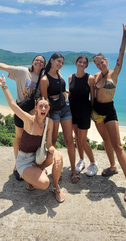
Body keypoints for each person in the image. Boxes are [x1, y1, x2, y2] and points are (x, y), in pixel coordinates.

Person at [0, 72, 65, 202]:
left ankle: (56, 188)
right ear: (36, 108)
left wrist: (54, 152)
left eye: (46, 106)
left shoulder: (49, 123)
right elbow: (13, 105)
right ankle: (29, 177)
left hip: (38, 157)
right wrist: (4, 86)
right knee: (43, 183)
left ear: (48, 109)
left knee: (59, 157)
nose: (43, 108)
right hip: (24, 161)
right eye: (40, 106)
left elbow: (49, 145)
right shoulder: (29, 120)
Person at [0, 54, 46, 181]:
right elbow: (6, 67)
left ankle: (33, 164)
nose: (39, 62)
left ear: (44, 65)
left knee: (33, 141)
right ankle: (17, 165)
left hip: (34, 115)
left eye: (42, 61)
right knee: (19, 138)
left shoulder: (43, 78)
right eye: (37, 60)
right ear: (32, 62)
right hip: (21, 111)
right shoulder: (22, 72)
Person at [92, 23, 126, 203]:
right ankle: (112, 167)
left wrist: (124, 36)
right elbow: (91, 94)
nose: (100, 65)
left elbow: (121, 54)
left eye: (102, 62)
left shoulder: (114, 73)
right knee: (106, 141)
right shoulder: (95, 77)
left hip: (109, 111)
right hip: (96, 113)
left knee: (118, 146)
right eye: (97, 63)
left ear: (106, 61)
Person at [40, 53, 79, 184]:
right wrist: (49, 118)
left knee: (69, 139)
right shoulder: (45, 79)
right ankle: (56, 169)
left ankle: (73, 170)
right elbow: (45, 101)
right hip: (54, 111)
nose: (60, 64)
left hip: (65, 107)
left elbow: (62, 89)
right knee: (54, 141)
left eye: (62, 62)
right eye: (58, 61)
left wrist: (72, 92)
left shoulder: (58, 73)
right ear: (51, 60)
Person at [68, 55, 98, 176]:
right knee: (76, 138)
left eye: (84, 63)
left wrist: (92, 112)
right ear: (76, 63)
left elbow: (93, 97)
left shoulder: (90, 78)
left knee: (82, 141)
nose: (81, 64)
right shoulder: (71, 77)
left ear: (86, 65)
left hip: (84, 111)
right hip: (72, 111)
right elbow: (71, 93)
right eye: (79, 62)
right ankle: (81, 160)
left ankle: (93, 163)